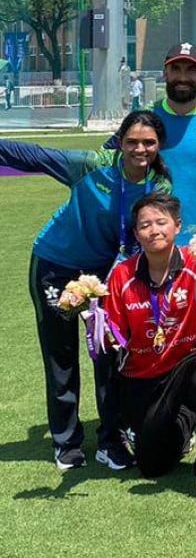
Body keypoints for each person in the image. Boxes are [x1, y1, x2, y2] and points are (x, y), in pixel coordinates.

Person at [4, 111, 172, 471]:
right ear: (120, 141)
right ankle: (66, 442)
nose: (140, 149)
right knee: (61, 353)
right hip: (55, 264)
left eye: (149, 143)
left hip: (105, 276)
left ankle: (110, 441)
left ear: (160, 146)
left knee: (109, 352)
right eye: (132, 142)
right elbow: (30, 155)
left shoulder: (159, 187)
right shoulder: (90, 165)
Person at [0, 42, 196, 243]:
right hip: (146, 239)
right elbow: (105, 160)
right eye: (176, 69)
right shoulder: (145, 118)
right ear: (165, 72)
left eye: (191, 70)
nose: (182, 77)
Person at [103, 193, 196, 509]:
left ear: (176, 226)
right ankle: (185, 423)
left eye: (161, 222)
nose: (154, 230)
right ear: (136, 234)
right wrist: (96, 323)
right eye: (145, 225)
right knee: (152, 467)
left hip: (186, 362)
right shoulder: (123, 274)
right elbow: (113, 336)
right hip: (141, 375)